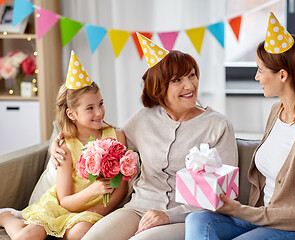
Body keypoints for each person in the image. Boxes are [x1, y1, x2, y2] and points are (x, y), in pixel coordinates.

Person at [50, 33, 238, 240]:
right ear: (160, 88)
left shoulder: (218, 125)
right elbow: (107, 140)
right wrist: (60, 141)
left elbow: (222, 194)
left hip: (184, 217)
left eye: (192, 75)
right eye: (177, 80)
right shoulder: (143, 119)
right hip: (138, 208)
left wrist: (167, 215)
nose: (190, 85)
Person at [185, 12, 295, 240]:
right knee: (197, 220)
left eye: (260, 70)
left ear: (283, 75)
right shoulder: (276, 111)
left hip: (293, 230)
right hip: (260, 218)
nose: (256, 77)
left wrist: (240, 211)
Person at [0, 51, 129, 240]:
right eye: (90, 108)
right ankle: (6, 217)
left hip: (92, 211)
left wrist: (101, 209)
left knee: (81, 232)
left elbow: (122, 187)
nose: (99, 112)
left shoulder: (116, 137)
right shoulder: (66, 148)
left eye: (100, 104)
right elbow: (65, 202)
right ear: (71, 114)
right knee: (26, 236)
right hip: (60, 207)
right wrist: (92, 191)